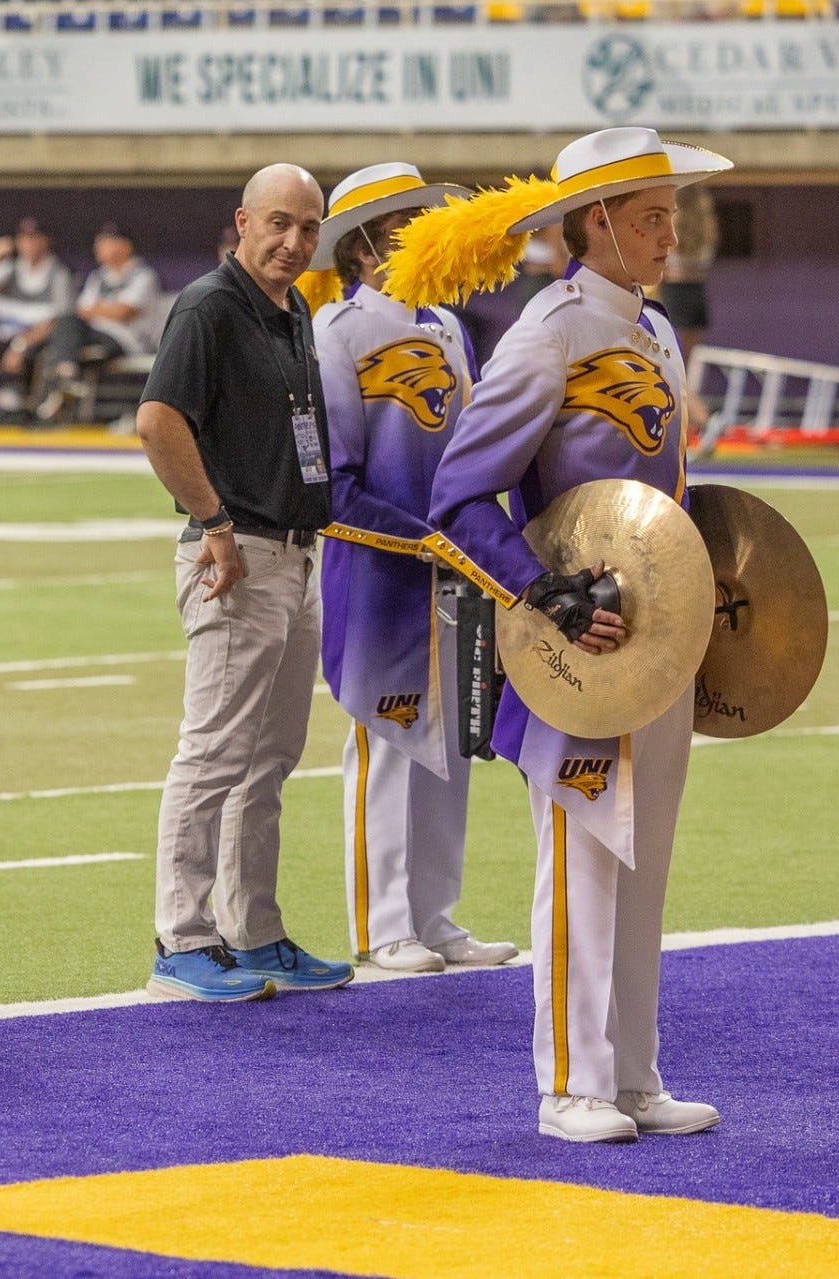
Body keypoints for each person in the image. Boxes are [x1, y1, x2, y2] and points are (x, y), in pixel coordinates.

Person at [412, 126, 730, 1142]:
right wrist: (540, 595)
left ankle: (633, 1074)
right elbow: (457, 497)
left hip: (658, 647)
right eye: (648, 219)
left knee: (645, 861)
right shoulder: (546, 334)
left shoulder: (657, 329)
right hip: (574, 648)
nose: (668, 236)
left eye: (670, 217)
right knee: (585, 854)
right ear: (594, 223)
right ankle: (570, 1086)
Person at [135, 163, 354, 1002]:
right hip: (237, 556)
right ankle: (182, 939)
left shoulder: (292, 308)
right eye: (279, 224)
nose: (294, 242)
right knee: (215, 752)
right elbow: (158, 421)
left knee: (270, 757)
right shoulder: (209, 306)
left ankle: (253, 931)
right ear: (242, 221)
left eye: (308, 228)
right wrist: (216, 524)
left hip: (294, 555)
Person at [309, 162, 519, 975]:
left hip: (453, 566)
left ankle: (435, 915)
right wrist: (420, 538)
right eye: (403, 227)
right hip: (380, 568)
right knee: (388, 736)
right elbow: (338, 475)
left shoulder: (448, 328)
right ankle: (381, 923)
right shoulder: (339, 329)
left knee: (452, 737)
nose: (423, 238)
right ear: (366, 246)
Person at [31, 222, 162, 426]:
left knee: (66, 331)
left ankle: (66, 378)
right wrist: (103, 308)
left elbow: (123, 312)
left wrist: (99, 308)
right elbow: (82, 311)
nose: (98, 247)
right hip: (94, 336)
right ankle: (66, 376)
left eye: (106, 242)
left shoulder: (143, 275)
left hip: (126, 341)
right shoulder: (99, 276)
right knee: (65, 321)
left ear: (125, 246)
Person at [0, 216, 72, 424]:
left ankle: (32, 411)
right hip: (9, 338)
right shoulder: (11, 269)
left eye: (34, 238)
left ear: (46, 240)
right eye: (24, 238)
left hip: (37, 340)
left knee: (33, 360)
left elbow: (60, 320)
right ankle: (11, 404)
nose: (29, 244)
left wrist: (20, 346)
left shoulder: (58, 273)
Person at [662, 184, 719, 433]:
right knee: (680, 370)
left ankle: (704, 420)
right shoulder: (708, 223)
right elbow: (710, 256)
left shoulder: (673, 220)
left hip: (676, 295)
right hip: (698, 296)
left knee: (673, 371)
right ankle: (692, 422)